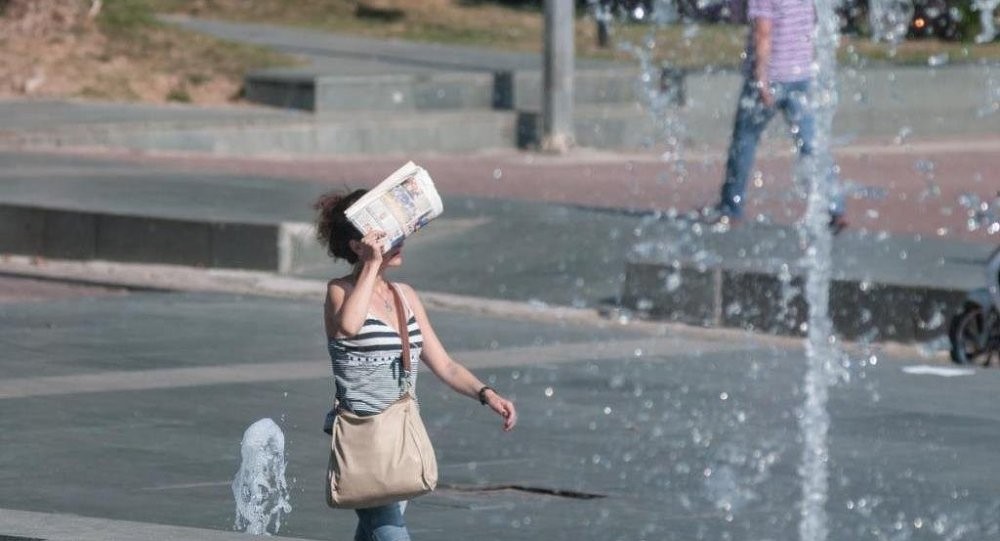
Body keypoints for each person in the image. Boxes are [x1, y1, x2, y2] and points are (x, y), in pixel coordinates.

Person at [315, 189, 518, 541]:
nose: (398, 241)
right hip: (363, 434)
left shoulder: (405, 295)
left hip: (401, 434)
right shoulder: (340, 291)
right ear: (357, 245)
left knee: (375, 531)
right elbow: (349, 325)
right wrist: (372, 264)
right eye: (386, 234)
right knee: (390, 532)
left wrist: (486, 394)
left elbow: (446, 365)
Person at [711, 0, 847, 233]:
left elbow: (764, 32)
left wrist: (761, 78)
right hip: (801, 76)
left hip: (770, 79)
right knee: (812, 145)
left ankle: (731, 208)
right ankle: (834, 206)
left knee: (744, 143)